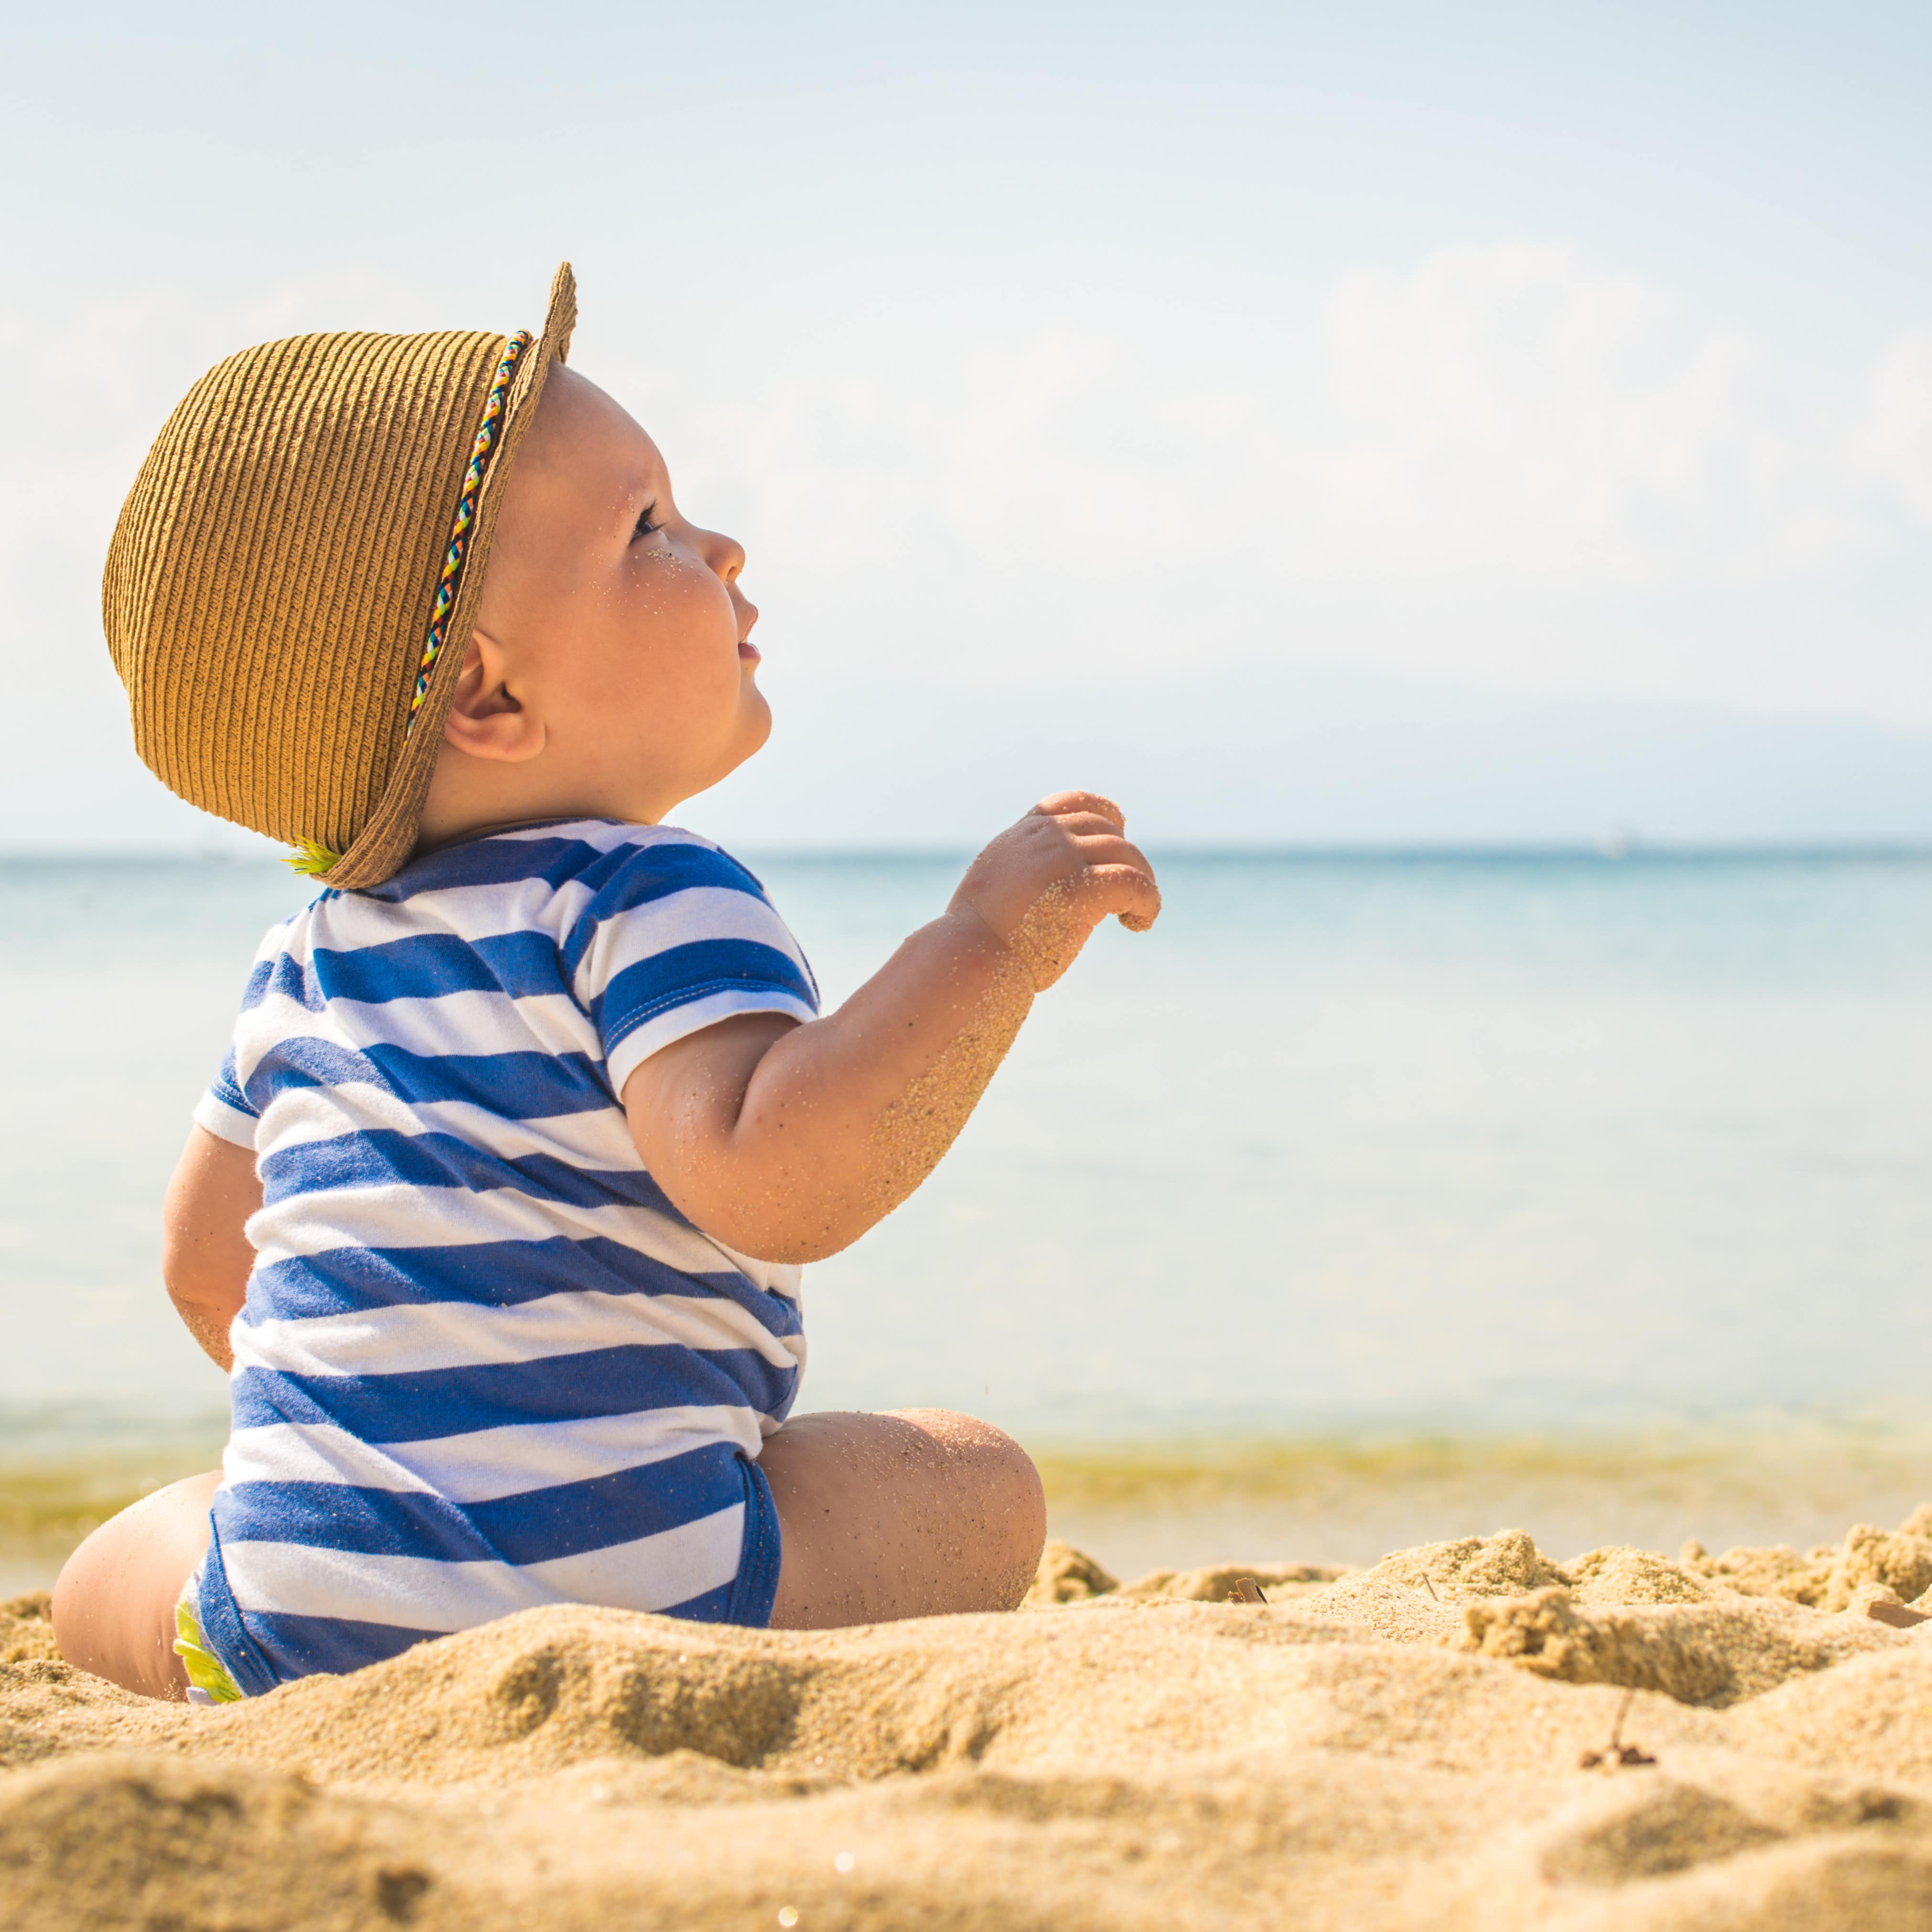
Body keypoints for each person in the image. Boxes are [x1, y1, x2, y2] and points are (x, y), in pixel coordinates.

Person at [53, 265, 1159, 1703]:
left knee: (111, 1574)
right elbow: (779, 1176)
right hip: (654, 1593)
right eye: (649, 529)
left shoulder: (307, 956)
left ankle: (268, 1599)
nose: (725, 546)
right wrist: (987, 948)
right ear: (487, 700)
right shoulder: (645, 893)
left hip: (297, 1618)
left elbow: (212, 1272)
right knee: (978, 1484)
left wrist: (410, 1449)